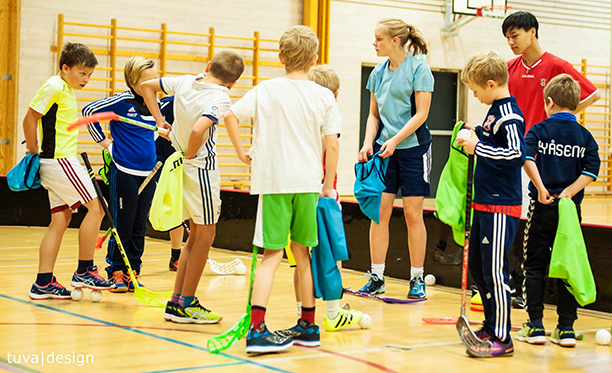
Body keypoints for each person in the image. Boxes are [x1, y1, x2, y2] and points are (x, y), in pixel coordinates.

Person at [224, 25, 342, 353]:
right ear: (315, 58)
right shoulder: (322, 95)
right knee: (302, 254)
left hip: (275, 183)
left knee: (271, 256)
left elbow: (230, 115)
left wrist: (240, 151)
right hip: (307, 185)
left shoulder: (266, 89)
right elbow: (332, 146)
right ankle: (308, 325)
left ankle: (258, 329)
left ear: (280, 57)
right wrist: (326, 186)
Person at [502, 10, 602, 307]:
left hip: (543, 159)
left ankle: (536, 288)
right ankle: (515, 282)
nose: (511, 42)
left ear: (532, 32)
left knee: (539, 221)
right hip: (517, 155)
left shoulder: (558, 66)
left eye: (515, 35)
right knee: (516, 220)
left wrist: (560, 120)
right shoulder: (509, 68)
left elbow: (593, 95)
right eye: (507, 38)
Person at [142, 50, 245, 324]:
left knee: (196, 236)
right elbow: (199, 130)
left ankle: (177, 301)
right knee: (206, 235)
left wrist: (159, 120)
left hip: (182, 166)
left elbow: (147, 87)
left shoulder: (185, 81)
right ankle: (187, 303)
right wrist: (191, 156)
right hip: (201, 169)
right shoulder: (221, 97)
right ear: (232, 83)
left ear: (208, 66)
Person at [516, 74, 600, 348]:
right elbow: (591, 170)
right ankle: (565, 328)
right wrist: (570, 192)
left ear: (549, 102)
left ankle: (535, 326)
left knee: (534, 265)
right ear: (575, 104)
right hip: (570, 212)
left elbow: (526, 158)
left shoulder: (538, 130)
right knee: (568, 264)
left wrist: (541, 188)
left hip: (542, 208)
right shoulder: (585, 136)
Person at [24, 43, 112, 299]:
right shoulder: (54, 86)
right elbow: (30, 118)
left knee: (60, 219)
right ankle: (85, 269)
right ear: (65, 68)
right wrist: (31, 152)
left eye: (90, 75)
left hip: (61, 161)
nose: (86, 79)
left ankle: (43, 282)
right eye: (82, 73)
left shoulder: (66, 89)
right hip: (59, 161)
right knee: (97, 207)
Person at [282, 64, 364, 333]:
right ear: (336, 94)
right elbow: (332, 147)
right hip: (320, 191)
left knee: (301, 255)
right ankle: (333, 312)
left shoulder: (298, 118)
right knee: (330, 253)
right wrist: (328, 186)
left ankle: (302, 313)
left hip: (296, 190)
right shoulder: (328, 117)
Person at [456, 50, 526, 357]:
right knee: (482, 270)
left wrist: (478, 146)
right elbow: (492, 142)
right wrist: (478, 133)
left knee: (496, 271)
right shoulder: (494, 111)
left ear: (491, 82)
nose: (474, 95)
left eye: (475, 90)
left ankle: (502, 336)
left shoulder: (509, 114)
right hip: (484, 203)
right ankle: (490, 324)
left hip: (501, 206)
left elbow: (514, 155)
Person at [358, 19, 434, 299]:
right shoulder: (377, 73)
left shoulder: (419, 70)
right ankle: (376, 276)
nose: (374, 43)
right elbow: (373, 115)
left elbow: (421, 114)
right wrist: (369, 143)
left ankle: (416, 278)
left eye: (378, 39)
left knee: (413, 215)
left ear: (395, 41)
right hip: (384, 149)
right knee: (379, 214)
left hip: (413, 149)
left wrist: (395, 140)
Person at [84, 56, 172, 292]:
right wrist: (107, 145)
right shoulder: (122, 101)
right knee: (122, 223)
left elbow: (153, 130)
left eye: (156, 79)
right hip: (124, 172)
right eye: (149, 81)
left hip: (148, 173)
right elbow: (88, 111)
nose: (154, 85)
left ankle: (133, 270)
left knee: (139, 224)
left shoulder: (158, 106)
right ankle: (116, 272)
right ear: (133, 82)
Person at [154, 95, 185, 271]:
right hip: (156, 163)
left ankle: (176, 256)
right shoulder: (171, 102)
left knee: (177, 209)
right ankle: (127, 261)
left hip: (179, 163)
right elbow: (151, 124)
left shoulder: (203, 105)